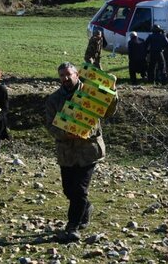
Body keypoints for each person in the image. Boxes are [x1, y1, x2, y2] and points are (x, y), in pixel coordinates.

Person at [45, 62, 118, 243]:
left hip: (88, 151)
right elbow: (50, 124)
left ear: (77, 74)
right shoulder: (54, 99)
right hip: (66, 152)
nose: (65, 78)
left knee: (79, 189)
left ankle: (72, 227)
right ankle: (86, 208)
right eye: (62, 75)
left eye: (69, 74)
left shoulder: (91, 94)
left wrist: (113, 92)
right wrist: (65, 133)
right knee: (69, 190)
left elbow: (108, 112)